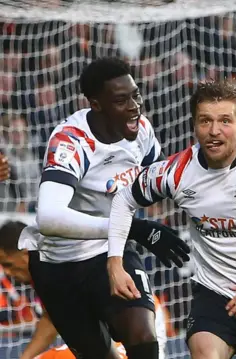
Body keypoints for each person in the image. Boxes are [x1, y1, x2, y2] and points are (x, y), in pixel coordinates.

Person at [107, 80, 236, 359]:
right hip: (218, 297)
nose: (214, 131)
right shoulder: (177, 171)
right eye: (205, 121)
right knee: (205, 352)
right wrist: (114, 262)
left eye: (225, 121)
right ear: (194, 125)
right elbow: (124, 199)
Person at [31, 57, 190, 359]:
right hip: (59, 265)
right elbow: (49, 218)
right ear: (96, 104)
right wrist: (134, 227)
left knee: (143, 339)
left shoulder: (141, 129)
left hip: (111, 252)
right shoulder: (71, 142)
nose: (134, 106)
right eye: (121, 100)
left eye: (135, 95)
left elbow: (157, 176)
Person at [0, 220, 168, 359]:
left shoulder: (53, 263)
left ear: (24, 253)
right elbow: (52, 317)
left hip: (134, 313)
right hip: (103, 322)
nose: (7, 272)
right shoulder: (42, 270)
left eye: (7, 264)